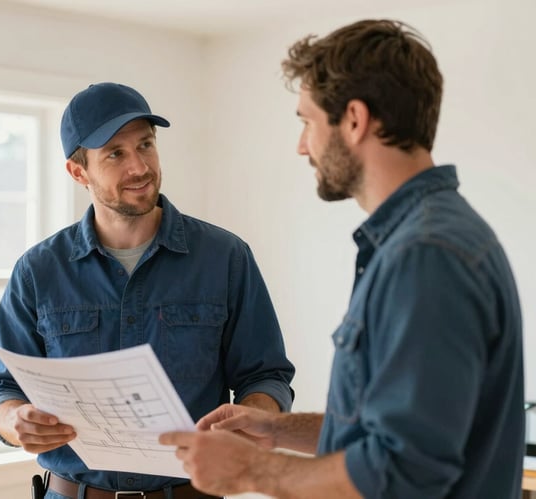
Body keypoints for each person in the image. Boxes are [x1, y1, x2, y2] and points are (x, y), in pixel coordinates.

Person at [159, 19, 524, 499]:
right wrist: (279, 431)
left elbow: (403, 471)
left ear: (354, 119)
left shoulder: (426, 256)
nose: (302, 145)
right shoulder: (421, 240)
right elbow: (397, 426)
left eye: (307, 122)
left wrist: (254, 471)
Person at [0, 81, 296, 498]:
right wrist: (15, 421)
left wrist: (247, 419)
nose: (139, 167)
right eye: (115, 154)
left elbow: (266, 375)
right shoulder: (38, 271)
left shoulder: (226, 258)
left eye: (145, 145)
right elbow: (1, 388)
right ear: (79, 172)